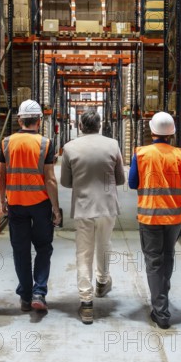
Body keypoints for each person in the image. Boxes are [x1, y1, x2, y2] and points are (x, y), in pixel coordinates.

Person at [129, 112, 181, 330]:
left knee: (154, 261)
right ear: (172, 134)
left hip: (150, 215)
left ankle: (161, 311)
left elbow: (132, 182)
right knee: (167, 257)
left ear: (152, 131)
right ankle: (162, 301)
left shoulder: (141, 154)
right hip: (174, 216)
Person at [60, 109, 125, 324]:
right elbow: (120, 179)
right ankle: (102, 282)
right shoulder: (113, 145)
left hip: (83, 206)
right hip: (107, 205)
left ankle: (86, 303)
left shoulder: (70, 148)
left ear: (80, 126)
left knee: (84, 252)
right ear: (100, 125)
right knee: (104, 245)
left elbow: (66, 182)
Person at [0, 99, 61, 313]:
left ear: (19, 120)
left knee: (20, 250)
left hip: (16, 205)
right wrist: (55, 208)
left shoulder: (6, 142)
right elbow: (50, 179)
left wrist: (2, 200)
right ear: (39, 120)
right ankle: (39, 292)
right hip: (41, 205)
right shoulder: (45, 143)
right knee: (43, 248)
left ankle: (25, 295)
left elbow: (0, 176)